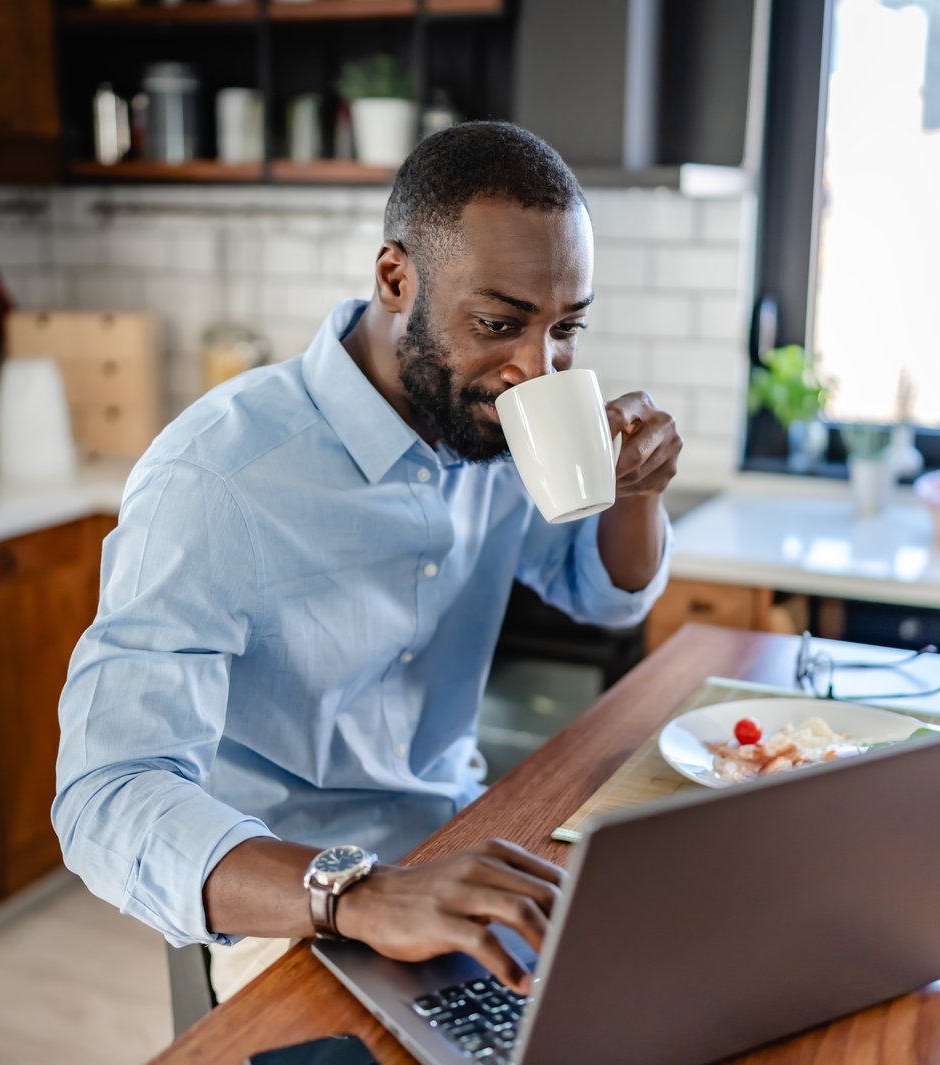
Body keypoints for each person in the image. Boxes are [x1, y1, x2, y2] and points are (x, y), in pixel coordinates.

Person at [54, 121, 682, 1002]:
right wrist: (361, 891)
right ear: (396, 279)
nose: (535, 369)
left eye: (565, 329)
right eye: (500, 323)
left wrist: (638, 495)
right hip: (297, 908)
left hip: (462, 846)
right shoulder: (216, 478)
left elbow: (601, 594)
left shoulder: (494, 426)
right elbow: (106, 798)